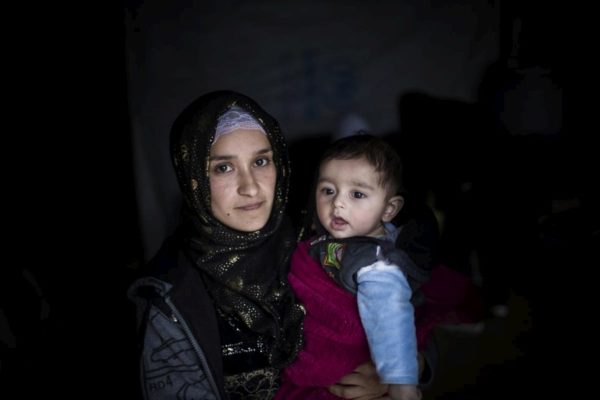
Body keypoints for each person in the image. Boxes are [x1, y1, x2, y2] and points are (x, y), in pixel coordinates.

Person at [128, 91, 391, 400]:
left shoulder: (319, 245)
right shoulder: (172, 295)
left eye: (261, 161)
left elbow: (410, 318)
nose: (250, 186)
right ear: (193, 178)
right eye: (223, 167)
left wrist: (396, 374)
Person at [276, 134, 429, 400]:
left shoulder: (375, 261)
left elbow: (390, 319)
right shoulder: (331, 234)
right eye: (328, 191)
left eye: (357, 194)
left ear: (389, 209)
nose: (338, 203)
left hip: (350, 373)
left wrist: (400, 384)